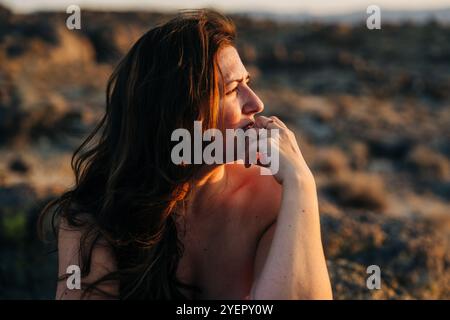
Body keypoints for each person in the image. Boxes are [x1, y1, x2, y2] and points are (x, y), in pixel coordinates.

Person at [40, 9, 332, 300]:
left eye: (248, 83)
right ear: (178, 114)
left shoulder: (270, 200)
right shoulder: (97, 213)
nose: (256, 103)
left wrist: (301, 184)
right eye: (232, 89)